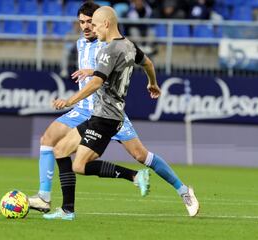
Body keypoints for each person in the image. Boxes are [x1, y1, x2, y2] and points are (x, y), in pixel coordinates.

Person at [29, 1, 199, 219]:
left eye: (93, 23)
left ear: (104, 23)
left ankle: (176, 188)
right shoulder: (118, 45)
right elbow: (147, 63)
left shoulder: (109, 47)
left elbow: (99, 79)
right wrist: (152, 83)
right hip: (95, 111)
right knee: (57, 146)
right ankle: (59, 205)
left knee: (137, 156)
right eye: (83, 22)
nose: (89, 27)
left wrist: (72, 97)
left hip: (106, 114)